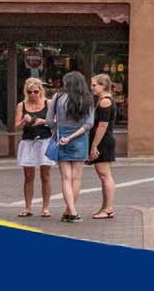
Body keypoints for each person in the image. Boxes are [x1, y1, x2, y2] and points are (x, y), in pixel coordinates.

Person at [47, 71, 93, 223]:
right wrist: (73, 136)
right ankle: (70, 211)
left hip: (62, 138)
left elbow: (49, 120)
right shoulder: (87, 99)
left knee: (66, 178)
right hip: (80, 139)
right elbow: (89, 124)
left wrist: (57, 131)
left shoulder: (58, 97)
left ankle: (71, 211)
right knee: (76, 178)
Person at [14, 77, 54, 218]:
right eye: (29, 92)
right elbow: (16, 127)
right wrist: (23, 121)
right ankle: (28, 207)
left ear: (40, 91)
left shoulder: (48, 103)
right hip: (28, 141)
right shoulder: (22, 105)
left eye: (35, 91)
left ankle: (45, 207)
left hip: (44, 140)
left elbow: (55, 121)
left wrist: (43, 121)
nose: (32, 94)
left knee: (45, 175)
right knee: (28, 176)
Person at [87, 74, 117, 219]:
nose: (92, 88)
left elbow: (103, 125)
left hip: (103, 141)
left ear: (103, 85)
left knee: (105, 175)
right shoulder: (102, 100)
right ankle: (105, 207)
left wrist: (94, 146)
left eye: (94, 85)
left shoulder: (105, 101)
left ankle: (108, 208)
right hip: (103, 141)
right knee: (103, 175)